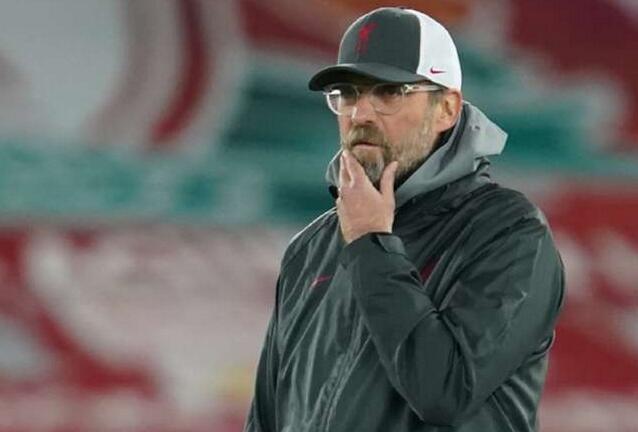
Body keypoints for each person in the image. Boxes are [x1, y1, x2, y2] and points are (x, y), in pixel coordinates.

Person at [244, 6, 565, 432]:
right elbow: (268, 417)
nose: (360, 114)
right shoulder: (309, 248)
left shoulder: (509, 232)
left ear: (447, 108)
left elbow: (445, 392)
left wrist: (370, 243)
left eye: (389, 93)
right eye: (348, 94)